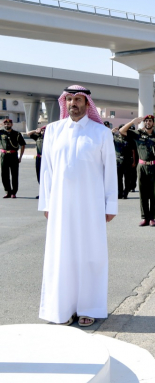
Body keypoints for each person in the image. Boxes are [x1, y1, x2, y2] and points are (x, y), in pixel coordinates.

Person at [38, 85, 118, 327]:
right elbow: (47, 171)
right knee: (61, 255)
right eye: (69, 99)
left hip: (91, 206)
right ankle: (61, 309)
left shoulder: (101, 133)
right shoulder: (53, 131)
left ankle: (89, 307)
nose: (73, 103)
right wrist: (46, 203)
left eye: (78, 99)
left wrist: (110, 204)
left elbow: (110, 171)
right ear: (65, 102)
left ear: (87, 103)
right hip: (60, 206)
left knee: (90, 255)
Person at [120, 115, 155, 226]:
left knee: (153, 194)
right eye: (146, 121)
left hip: (154, 167)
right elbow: (122, 131)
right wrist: (132, 122)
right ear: (144, 123)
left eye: (150, 121)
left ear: (153, 123)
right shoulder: (138, 134)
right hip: (142, 167)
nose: (148, 122)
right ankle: (145, 217)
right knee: (143, 193)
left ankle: (152, 218)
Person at [0, 118, 26, 198]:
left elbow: (23, 145)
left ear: (12, 124)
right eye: (5, 124)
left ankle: (14, 192)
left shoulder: (17, 134)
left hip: (13, 155)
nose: (7, 125)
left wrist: (20, 157)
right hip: (4, 156)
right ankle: (8, 191)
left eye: (8, 124)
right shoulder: (1, 133)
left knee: (14, 175)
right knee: (4, 175)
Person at [111, 125, 135, 199]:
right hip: (118, 161)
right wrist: (111, 131)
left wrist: (134, 161)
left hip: (127, 161)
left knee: (127, 178)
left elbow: (133, 151)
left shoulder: (130, 139)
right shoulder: (115, 137)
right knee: (118, 178)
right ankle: (119, 192)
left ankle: (126, 192)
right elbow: (106, 137)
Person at [26, 126, 45, 198]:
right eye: (42, 130)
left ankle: (48, 193)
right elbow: (28, 134)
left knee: (46, 176)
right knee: (39, 175)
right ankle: (42, 193)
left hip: (46, 159)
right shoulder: (38, 137)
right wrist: (35, 130)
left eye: (44, 130)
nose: (43, 132)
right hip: (39, 158)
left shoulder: (51, 138)